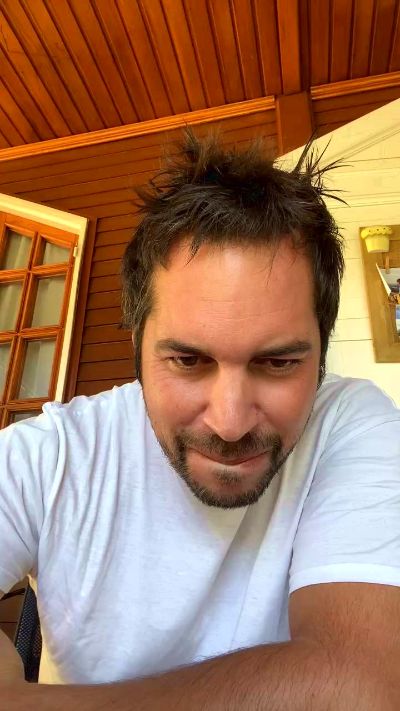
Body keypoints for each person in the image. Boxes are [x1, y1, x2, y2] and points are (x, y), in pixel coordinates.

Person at [1, 131, 399, 710]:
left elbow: (362, 685)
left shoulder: (350, 423)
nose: (230, 422)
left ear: (321, 352)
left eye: (278, 363)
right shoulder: (51, 457)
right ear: (137, 347)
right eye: (188, 361)